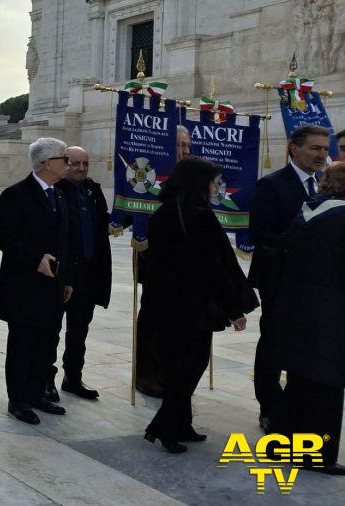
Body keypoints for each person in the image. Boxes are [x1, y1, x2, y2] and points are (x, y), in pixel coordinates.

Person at [143, 157, 257, 453]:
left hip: (167, 306)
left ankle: (180, 425)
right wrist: (234, 309)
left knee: (180, 366)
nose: (215, 187)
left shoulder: (164, 213)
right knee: (188, 367)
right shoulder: (198, 216)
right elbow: (215, 267)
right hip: (191, 307)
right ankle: (165, 428)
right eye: (212, 182)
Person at [249, 124, 329, 433]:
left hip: (315, 282)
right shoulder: (271, 185)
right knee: (274, 343)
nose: (322, 154)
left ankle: (296, 403)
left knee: (305, 343)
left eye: (324, 148)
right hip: (279, 280)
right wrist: (301, 242)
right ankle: (269, 406)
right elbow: (260, 234)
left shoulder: (326, 185)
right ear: (294, 149)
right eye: (315, 148)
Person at [0, 137, 73, 425]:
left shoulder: (59, 195)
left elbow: (65, 242)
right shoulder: (16, 194)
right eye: (64, 158)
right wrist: (35, 258)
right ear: (47, 163)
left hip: (53, 285)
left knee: (47, 342)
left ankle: (38, 392)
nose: (69, 164)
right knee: (23, 343)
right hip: (24, 286)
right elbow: (2, 237)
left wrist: (68, 279)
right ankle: (19, 399)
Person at [274, 162, 345, 475]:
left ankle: (282, 444)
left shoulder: (307, 211)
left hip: (300, 306)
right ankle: (316, 455)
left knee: (301, 378)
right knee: (328, 385)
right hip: (333, 310)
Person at [134, 125, 193, 398]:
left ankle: (170, 372)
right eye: (179, 145)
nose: (184, 151)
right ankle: (146, 374)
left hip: (186, 264)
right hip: (157, 261)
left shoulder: (191, 180)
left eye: (187, 146)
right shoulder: (152, 180)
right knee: (153, 319)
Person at [54, 146, 111, 400]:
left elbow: (103, 223)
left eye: (85, 163)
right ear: (64, 163)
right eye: (75, 163)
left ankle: (73, 377)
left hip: (88, 273)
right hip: (63, 271)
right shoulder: (55, 190)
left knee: (79, 329)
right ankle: (45, 379)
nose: (80, 168)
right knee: (51, 328)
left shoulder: (93, 190)